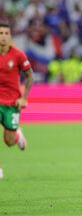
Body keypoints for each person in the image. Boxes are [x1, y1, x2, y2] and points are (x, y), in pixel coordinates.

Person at [0, 22, 34, 180]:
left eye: (6, 33)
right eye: (1, 33)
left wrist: (24, 97)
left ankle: (18, 135)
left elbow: (30, 76)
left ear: (10, 36)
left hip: (12, 103)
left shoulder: (18, 55)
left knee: (9, 141)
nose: (4, 36)